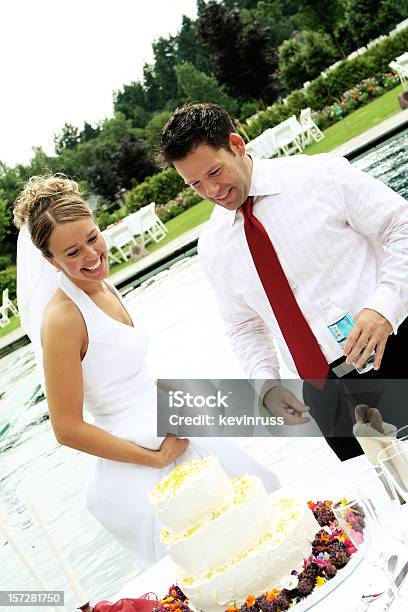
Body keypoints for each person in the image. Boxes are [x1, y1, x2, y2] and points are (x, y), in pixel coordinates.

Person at [13, 175, 280, 568]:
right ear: (50, 261)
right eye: (72, 252)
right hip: (141, 453)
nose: (91, 255)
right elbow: (66, 428)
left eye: (92, 237)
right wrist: (153, 459)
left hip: (165, 420)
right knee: (212, 554)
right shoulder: (62, 319)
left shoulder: (104, 287)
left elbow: (127, 372)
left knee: (259, 502)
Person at [158, 102, 408, 462]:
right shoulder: (212, 245)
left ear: (236, 144)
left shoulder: (321, 176)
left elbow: (401, 228)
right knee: (379, 506)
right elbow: (243, 326)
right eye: (195, 183)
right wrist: (267, 384)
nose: (212, 190)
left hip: (392, 353)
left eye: (215, 172)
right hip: (324, 395)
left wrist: (383, 308)